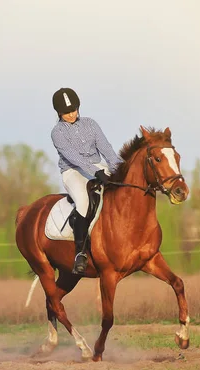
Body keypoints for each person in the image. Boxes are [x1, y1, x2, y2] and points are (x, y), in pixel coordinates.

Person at [50, 87, 123, 275]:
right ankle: (80, 254)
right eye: (66, 113)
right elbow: (74, 157)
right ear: (59, 113)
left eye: (73, 110)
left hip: (97, 167)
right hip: (73, 171)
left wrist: (120, 170)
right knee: (83, 202)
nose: (71, 114)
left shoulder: (91, 124)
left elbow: (106, 148)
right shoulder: (57, 132)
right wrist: (96, 173)